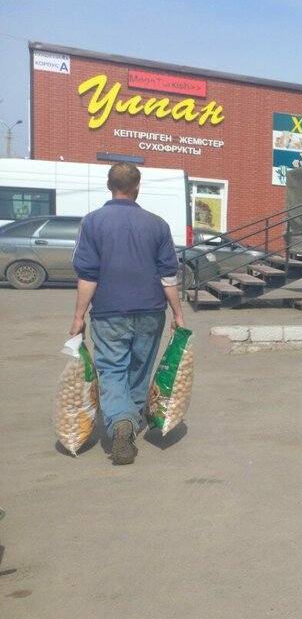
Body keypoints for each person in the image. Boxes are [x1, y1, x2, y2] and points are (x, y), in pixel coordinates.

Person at [70, 162, 186, 465]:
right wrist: (179, 313)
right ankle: (129, 423)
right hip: (150, 310)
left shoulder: (92, 223)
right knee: (139, 369)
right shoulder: (157, 224)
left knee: (111, 370)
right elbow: (168, 277)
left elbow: (88, 275)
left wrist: (79, 316)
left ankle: (121, 423)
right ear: (137, 187)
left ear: (109, 185)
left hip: (109, 312)